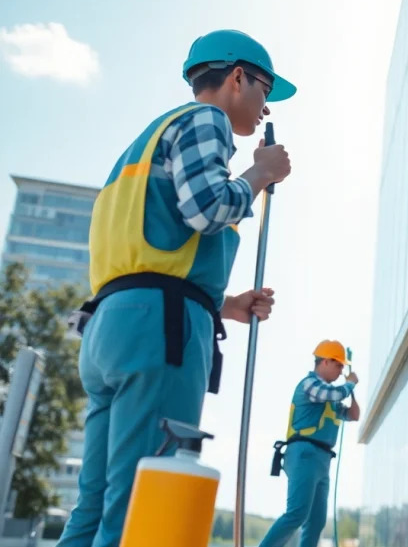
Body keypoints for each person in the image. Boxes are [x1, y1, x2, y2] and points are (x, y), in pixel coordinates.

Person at [58, 29, 296, 547]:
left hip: (112, 327)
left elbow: (159, 244)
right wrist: (258, 172)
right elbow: (208, 208)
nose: (264, 106)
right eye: (264, 89)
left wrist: (223, 306)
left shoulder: (145, 142)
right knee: (141, 506)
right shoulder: (206, 122)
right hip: (158, 330)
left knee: (95, 507)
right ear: (237, 77)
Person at [260, 340, 360, 547]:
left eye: (343, 366)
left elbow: (353, 415)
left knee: (316, 521)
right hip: (304, 453)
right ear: (325, 362)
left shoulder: (332, 397)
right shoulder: (310, 384)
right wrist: (349, 384)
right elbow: (332, 393)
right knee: (297, 513)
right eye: (338, 365)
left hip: (322, 460)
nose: (341, 370)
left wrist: (352, 390)